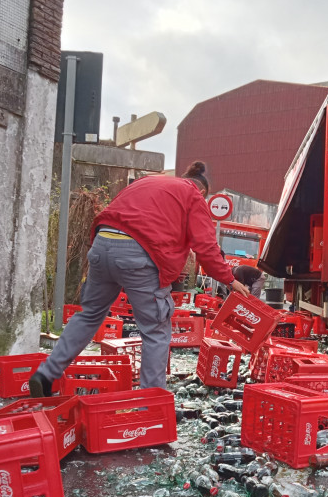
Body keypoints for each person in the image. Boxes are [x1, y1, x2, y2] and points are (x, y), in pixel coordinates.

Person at [29, 162, 249, 396]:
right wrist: (229, 279)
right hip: (140, 253)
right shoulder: (192, 195)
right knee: (155, 330)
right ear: (203, 191)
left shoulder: (148, 181)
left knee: (89, 314)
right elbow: (205, 247)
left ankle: (47, 374)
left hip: (103, 244)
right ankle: (150, 405)